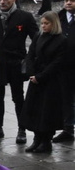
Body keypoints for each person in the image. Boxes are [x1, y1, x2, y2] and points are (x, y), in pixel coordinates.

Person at [0, 0, 37, 144]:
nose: (2, 2)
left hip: (15, 62)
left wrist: (28, 59)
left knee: (18, 97)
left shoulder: (25, 17)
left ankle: (21, 129)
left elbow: (36, 39)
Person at [22, 12, 66, 153]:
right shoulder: (38, 36)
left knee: (47, 112)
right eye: (42, 23)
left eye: (46, 23)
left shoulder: (61, 40)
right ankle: (37, 139)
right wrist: (31, 73)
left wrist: (40, 76)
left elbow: (57, 62)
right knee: (34, 110)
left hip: (50, 81)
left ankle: (46, 141)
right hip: (36, 78)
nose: (43, 26)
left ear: (54, 24)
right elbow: (31, 54)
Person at [54, 0, 75, 142]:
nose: (68, 3)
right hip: (63, 66)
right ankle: (68, 128)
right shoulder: (59, 17)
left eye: (72, 1)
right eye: (66, 0)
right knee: (66, 98)